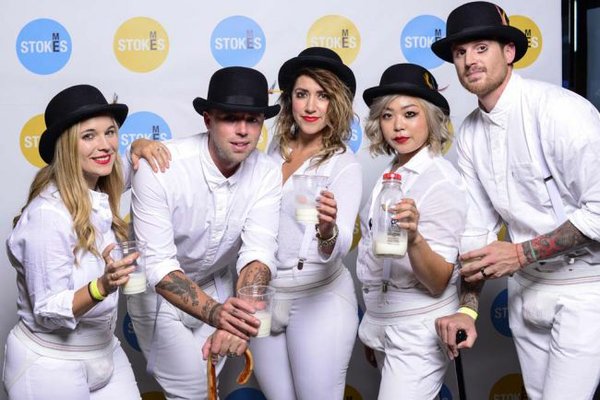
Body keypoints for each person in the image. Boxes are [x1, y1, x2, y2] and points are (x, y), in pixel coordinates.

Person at [431, 2, 600, 399]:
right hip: (527, 292)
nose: (469, 60)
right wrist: (468, 309)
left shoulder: (560, 111)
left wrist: (521, 253)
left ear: (509, 52)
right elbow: (476, 233)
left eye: (481, 48)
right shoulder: (470, 132)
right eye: (460, 53)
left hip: (586, 289)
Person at [127, 66, 282, 400]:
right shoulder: (160, 169)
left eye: (253, 120)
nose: (243, 131)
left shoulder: (267, 173)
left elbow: (259, 252)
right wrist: (222, 316)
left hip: (220, 284)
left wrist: (240, 317)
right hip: (159, 297)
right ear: (208, 120)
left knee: (208, 387)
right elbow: (160, 269)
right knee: (193, 391)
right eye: (230, 118)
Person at [2, 84, 160, 399]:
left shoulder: (100, 184)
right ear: (67, 146)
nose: (105, 146)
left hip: (104, 353)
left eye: (110, 132)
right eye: (88, 136)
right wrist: (103, 285)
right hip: (48, 364)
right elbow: (47, 309)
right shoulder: (48, 215)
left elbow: (124, 168)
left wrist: (141, 145)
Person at [249, 47, 362, 400]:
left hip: (320, 300)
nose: (311, 107)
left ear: (336, 103)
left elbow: (340, 241)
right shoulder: (273, 153)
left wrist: (326, 232)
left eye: (322, 95)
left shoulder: (343, 164)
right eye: (302, 94)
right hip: (266, 297)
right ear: (290, 101)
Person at [357, 63, 467, 399]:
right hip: (384, 323)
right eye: (388, 116)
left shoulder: (440, 181)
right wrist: (375, 326)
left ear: (431, 120)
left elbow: (437, 281)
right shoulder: (392, 172)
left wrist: (415, 239)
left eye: (409, 114)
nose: (398, 125)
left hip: (419, 329)